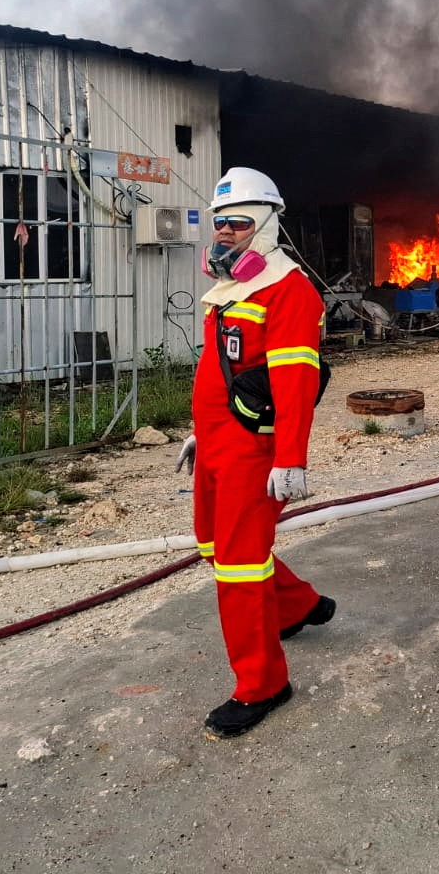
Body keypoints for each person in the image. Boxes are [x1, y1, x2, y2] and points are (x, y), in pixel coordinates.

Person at [174, 167, 335, 738]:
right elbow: (222, 373)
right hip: (217, 444)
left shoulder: (289, 290)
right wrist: (200, 432)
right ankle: (298, 605)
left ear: (266, 225)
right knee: (215, 545)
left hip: (254, 453)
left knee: (240, 567)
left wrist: (291, 459)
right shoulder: (228, 291)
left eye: (237, 223)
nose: (224, 235)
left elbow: (293, 385)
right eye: (219, 224)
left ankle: (263, 684)